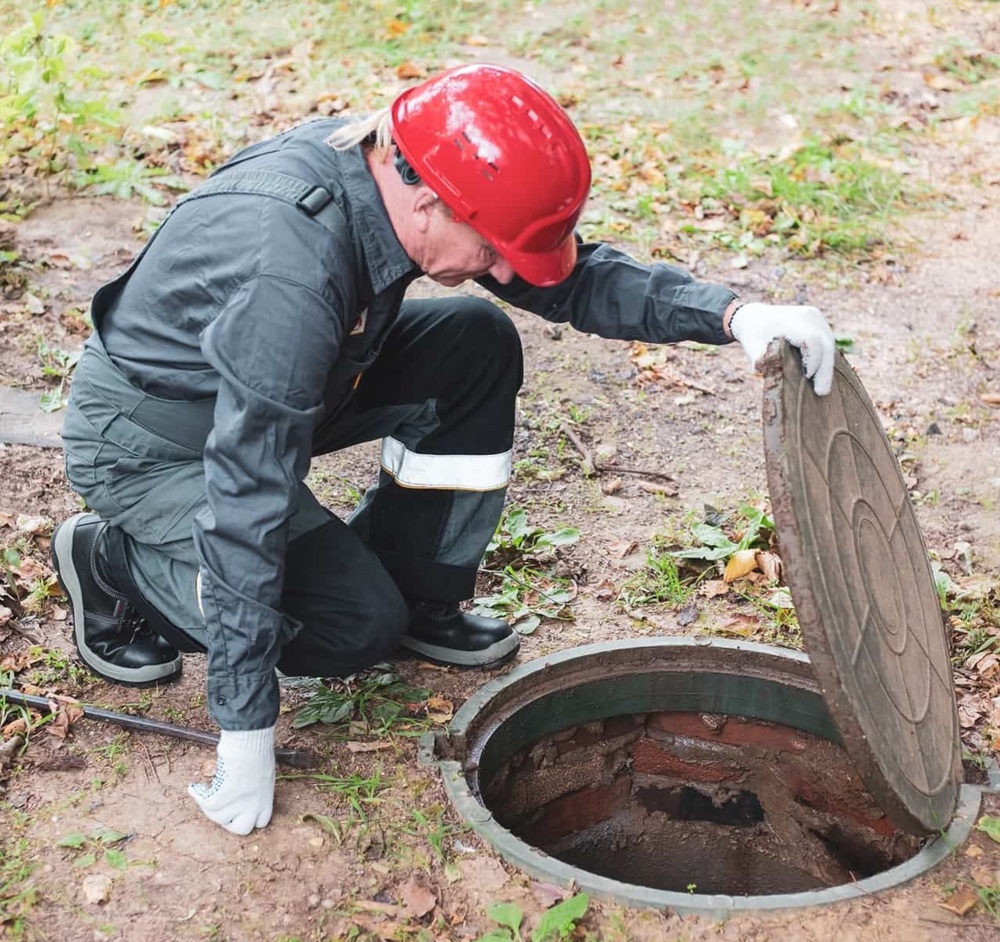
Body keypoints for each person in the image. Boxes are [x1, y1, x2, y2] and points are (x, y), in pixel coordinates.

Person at [50, 63, 835, 836]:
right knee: (351, 625)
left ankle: (419, 591)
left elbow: (568, 282)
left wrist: (733, 316)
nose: (500, 270)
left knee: (475, 342)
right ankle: (112, 565)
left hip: (296, 383)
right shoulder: (287, 270)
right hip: (159, 440)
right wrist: (245, 725)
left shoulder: (399, 180)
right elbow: (248, 489)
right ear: (425, 198)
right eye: (492, 249)